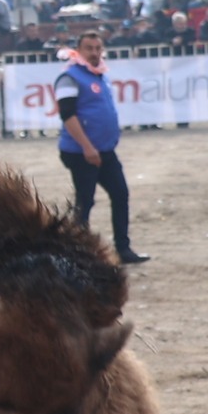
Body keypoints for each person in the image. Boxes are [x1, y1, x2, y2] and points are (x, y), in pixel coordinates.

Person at [53, 31, 148, 265]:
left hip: (104, 150)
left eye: (98, 48)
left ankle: (123, 249)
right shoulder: (70, 77)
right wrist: (87, 147)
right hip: (81, 151)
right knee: (85, 201)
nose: (95, 53)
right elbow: (67, 115)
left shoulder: (98, 75)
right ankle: (76, 252)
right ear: (79, 50)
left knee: (120, 194)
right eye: (89, 48)